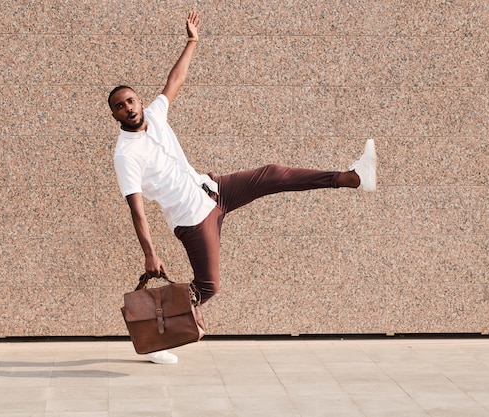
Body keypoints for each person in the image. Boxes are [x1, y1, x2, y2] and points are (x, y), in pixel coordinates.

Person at [109, 11, 376, 364]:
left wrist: (192, 41)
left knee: (272, 174)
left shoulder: (155, 115)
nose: (128, 108)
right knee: (208, 287)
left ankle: (350, 177)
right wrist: (149, 252)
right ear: (114, 116)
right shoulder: (126, 154)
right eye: (120, 107)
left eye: (131, 101)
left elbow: (175, 80)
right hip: (192, 219)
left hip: (214, 189)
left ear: (139, 101)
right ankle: (160, 336)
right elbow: (137, 210)